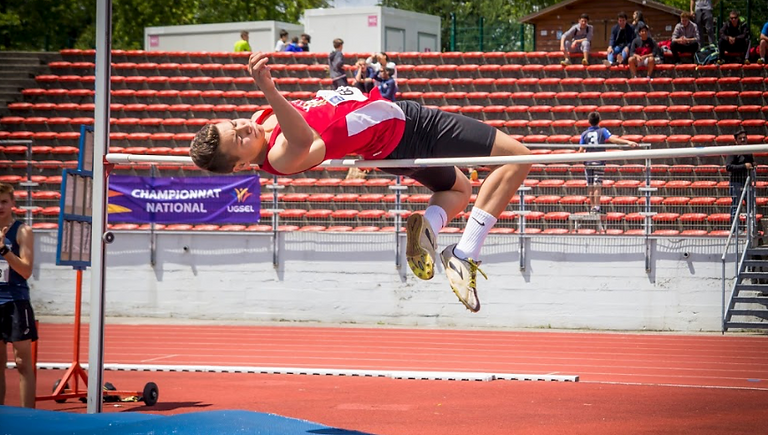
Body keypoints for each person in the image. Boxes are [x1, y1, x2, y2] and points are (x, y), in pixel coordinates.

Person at [189, 52, 532, 313]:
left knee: (458, 190)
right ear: (241, 165)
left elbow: (313, 122)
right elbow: (303, 139)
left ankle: (428, 228)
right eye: (239, 140)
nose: (243, 129)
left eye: (234, 124)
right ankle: (464, 254)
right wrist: (268, 88)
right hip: (408, 128)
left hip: (386, 147)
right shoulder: (279, 156)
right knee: (518, 157)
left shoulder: (260, 122)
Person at [0, 182, 38, 408]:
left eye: (4, 201)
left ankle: (29, 416)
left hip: (15, 301)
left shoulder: (23, 231)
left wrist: (4, 250)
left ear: (13, 203)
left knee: (22, 362)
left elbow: (26, 270)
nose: (0, 207)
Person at [578, 112, 639, 214]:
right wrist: (628, 142)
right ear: (599, 120)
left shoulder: (584, 134)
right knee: (597, 184)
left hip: (588, 162)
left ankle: (592, 207)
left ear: (589, 122)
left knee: (590, 184)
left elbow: (580, 150)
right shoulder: (603, 131)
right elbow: (613, 140)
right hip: (599, 161)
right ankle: (596, 207)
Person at [725, 130, 754, 224]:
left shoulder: (748, 152)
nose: (743, 140)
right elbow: (728, 167)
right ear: (736, 140)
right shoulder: (733, 151)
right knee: (736, 206)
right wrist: (744, 166)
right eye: (740, 138)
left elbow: (751, 163)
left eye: (744, 138)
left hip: (747, 182)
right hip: (736, 183)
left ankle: (751, 228)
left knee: (751, 206)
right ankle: (735, 230)